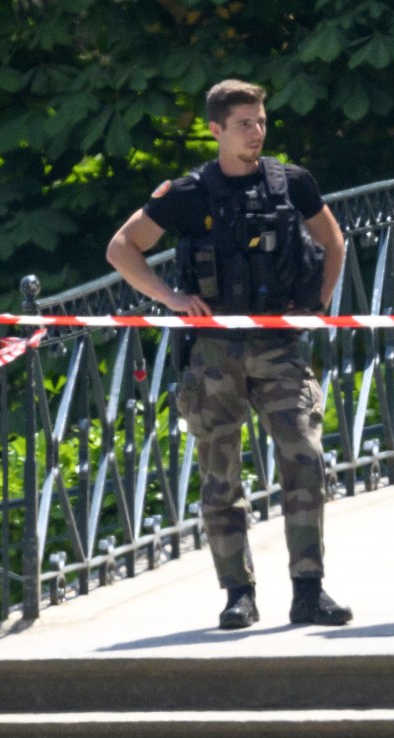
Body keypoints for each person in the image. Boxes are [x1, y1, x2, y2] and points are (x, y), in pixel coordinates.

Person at [104, 78, 352, 631]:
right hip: (213, 351)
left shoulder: (293, 183)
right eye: (244, 124)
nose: (256, 132)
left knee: (306, 461)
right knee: (221, 475)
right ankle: (238, 593)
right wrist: (169, 298)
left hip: (279, 345)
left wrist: (318, 301)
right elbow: (122, 247)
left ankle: (309, 590)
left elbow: (333, 240)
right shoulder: (190, 193)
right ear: (216, 129)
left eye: (261, 121)